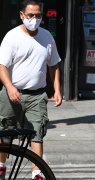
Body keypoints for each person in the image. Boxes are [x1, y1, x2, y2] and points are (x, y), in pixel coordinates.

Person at [0, 0, 62, 179]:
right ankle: (1, 165)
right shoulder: (12, 37)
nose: (34, 19)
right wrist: (9, 87)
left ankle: (37, 172)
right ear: (21, 15)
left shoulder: (47, 36)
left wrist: (57, 89)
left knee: (37, 132)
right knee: (5, 131)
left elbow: (54, 65)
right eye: (30, 16)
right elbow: (2, 66)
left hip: (37, 95)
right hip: (12, 93)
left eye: (38, 15)